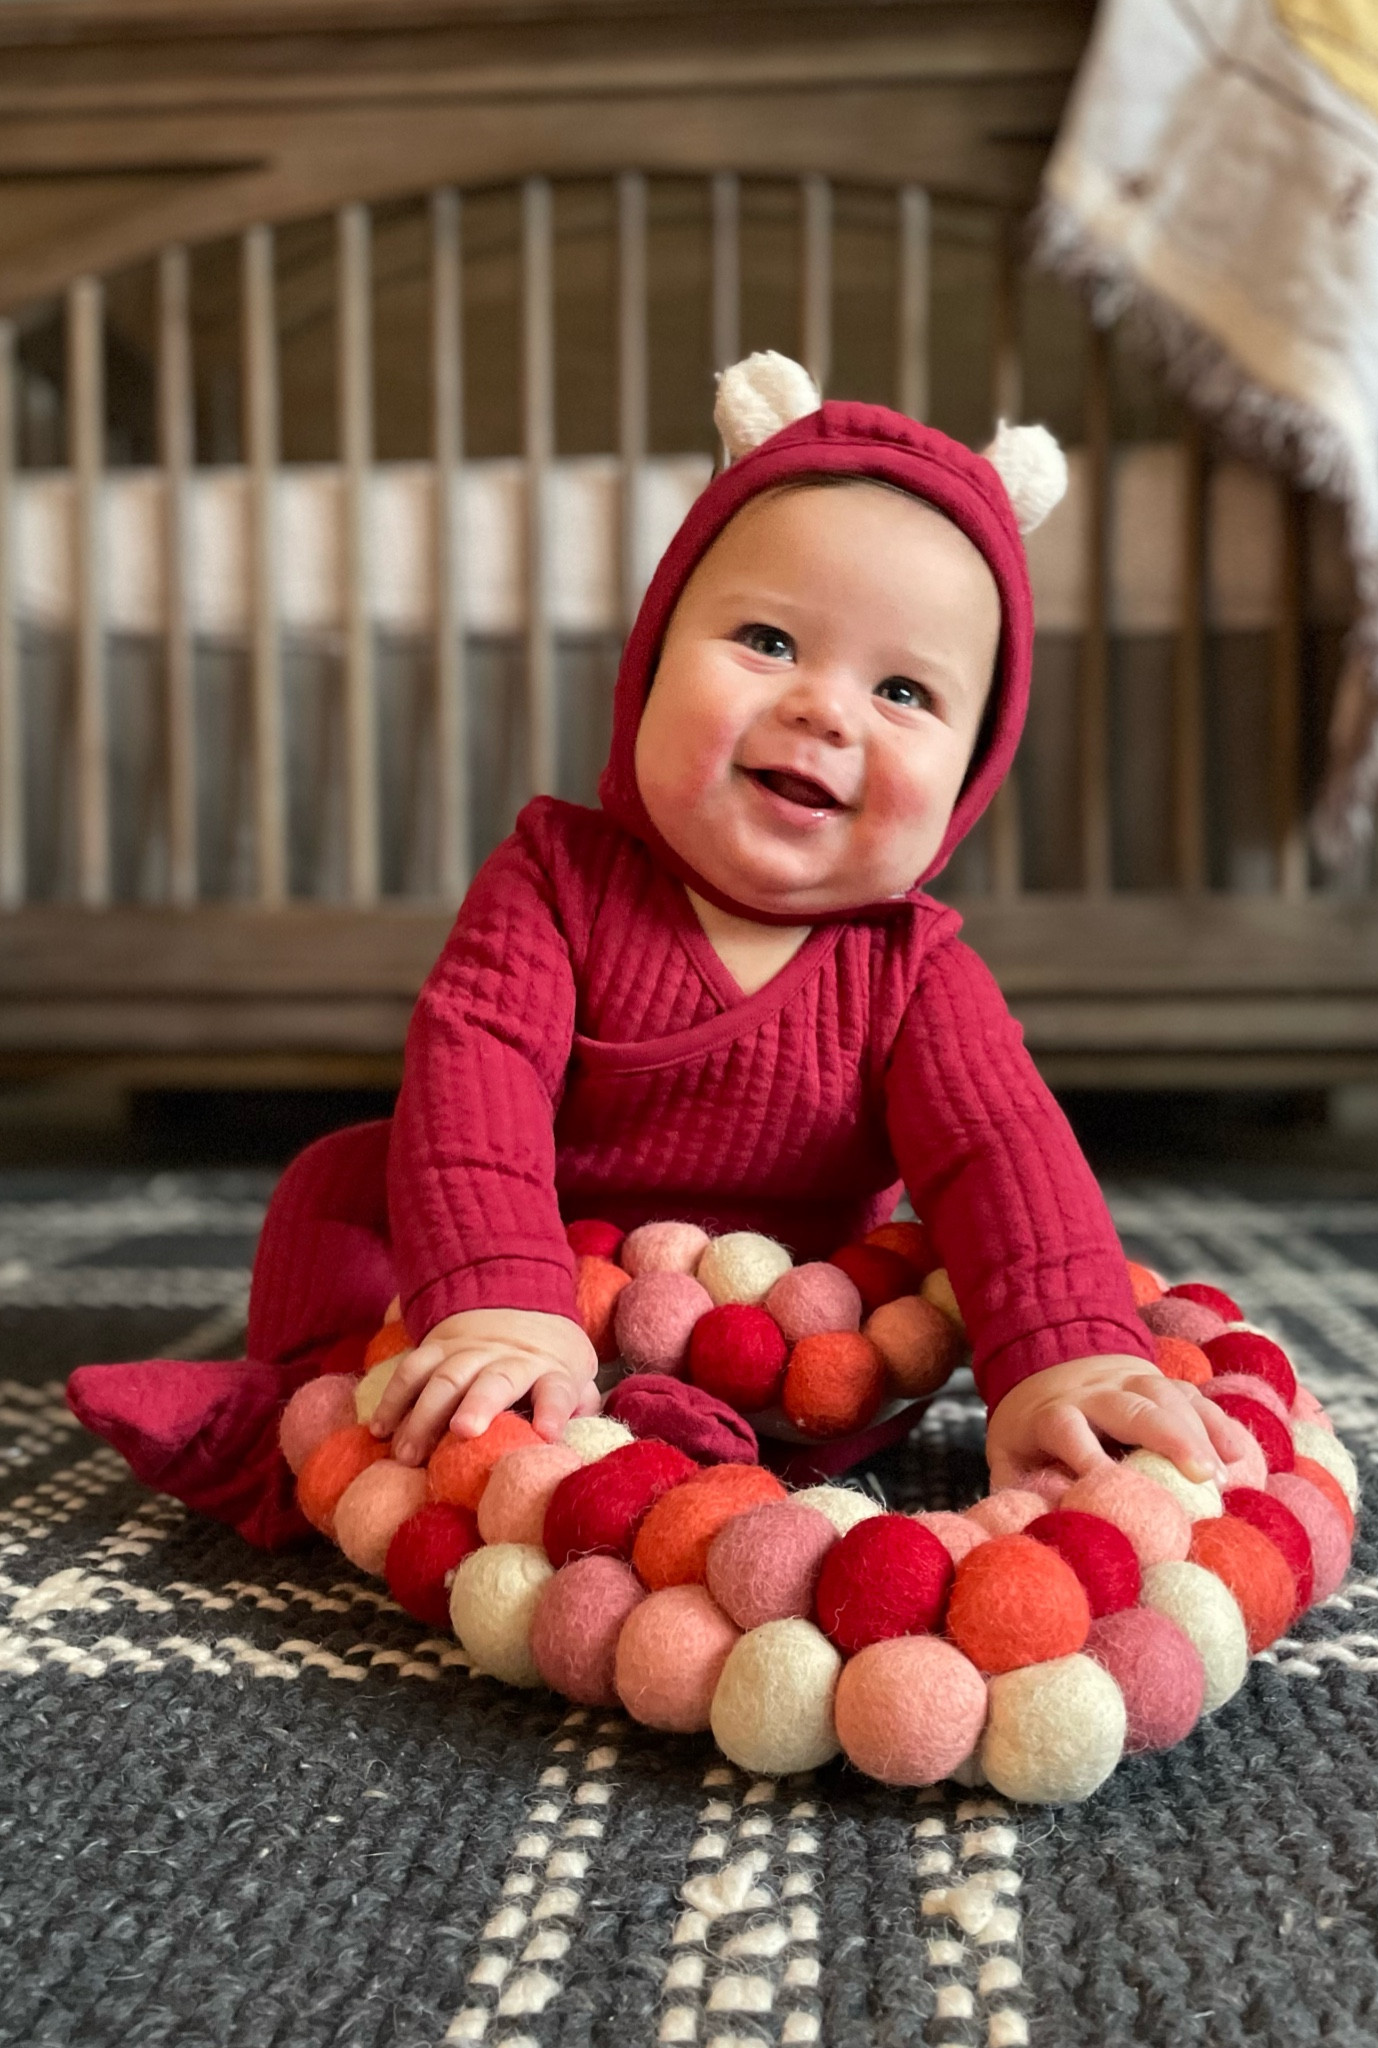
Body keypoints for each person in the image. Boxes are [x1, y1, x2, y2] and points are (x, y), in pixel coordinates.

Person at [68, 355, 1247, 1547]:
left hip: (788, 1330)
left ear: (973, 774)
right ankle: (309, 1409)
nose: (827, 709)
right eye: (769, 640)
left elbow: (1004, 1152)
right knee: (339, 1183)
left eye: (903, 690)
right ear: (649, 662)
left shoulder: (916, 972)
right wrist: (499, 1299)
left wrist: (1067, 1357)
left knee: (959, 1262)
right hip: (545, 1289)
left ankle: (705, 1445)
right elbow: (477, 1078)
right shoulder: (552, 880)